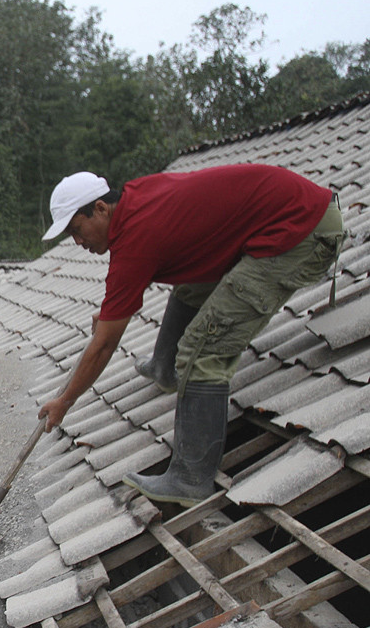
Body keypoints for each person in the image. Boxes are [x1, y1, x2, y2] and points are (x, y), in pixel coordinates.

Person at [37, 164, 344, 506]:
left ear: (100, 208)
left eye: (78, 230)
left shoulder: (137, 236)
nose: (78, 242)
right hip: (294, 213)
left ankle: (190, 479)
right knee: (191, 285)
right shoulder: (136, 200)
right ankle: (163, 368)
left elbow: (105, 344)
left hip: (302, 233)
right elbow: (150, 268)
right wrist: (113, 309)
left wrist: (64, 402)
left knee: (202, 349)